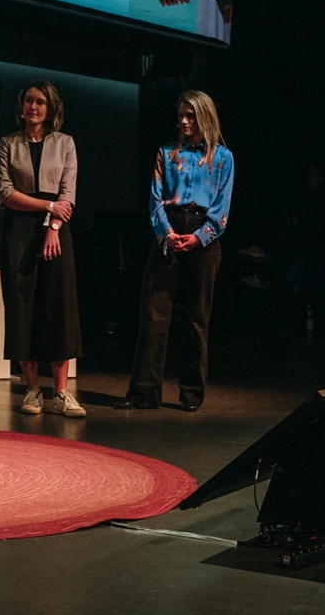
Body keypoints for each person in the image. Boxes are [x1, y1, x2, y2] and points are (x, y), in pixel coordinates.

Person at [115, 90, 234, 412]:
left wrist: (199, 237)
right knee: (154, 313)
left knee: (198, 317)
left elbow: (222, 206)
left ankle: (192, 393)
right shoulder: (166, 153)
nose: (182, 121)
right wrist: (166, 234)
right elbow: (155, 200)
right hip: (169, 230)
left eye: (190, 115)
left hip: (203, 235)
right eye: (181, 114)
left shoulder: (222, 157)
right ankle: (144, 392)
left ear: (204, 117)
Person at [0, 80, 85, 418]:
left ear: (51, 109)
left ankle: (62, 392)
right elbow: (5, 193)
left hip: (56, 230)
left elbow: (67, 193)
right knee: (22, 305)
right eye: (29, 101)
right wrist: (46, 208)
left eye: (40, 102)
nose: (33, 107)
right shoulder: (8, 144)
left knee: (58, 303)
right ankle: (32, 388)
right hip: (17, 230)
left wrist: (53, 228)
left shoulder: (65, 143)